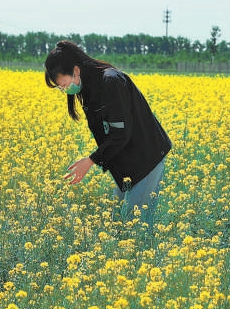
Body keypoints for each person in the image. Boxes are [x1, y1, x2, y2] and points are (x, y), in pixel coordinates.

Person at [44, 41, 171, 222]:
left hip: (146, 158)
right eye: (61, 88)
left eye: (65, 85)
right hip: (126, 160)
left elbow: (120, 134)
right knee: (117, 221)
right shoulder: (89, 88)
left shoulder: (111, 81)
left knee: (135, 223)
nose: (66, 90)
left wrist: (90, 161)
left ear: (76, 70)